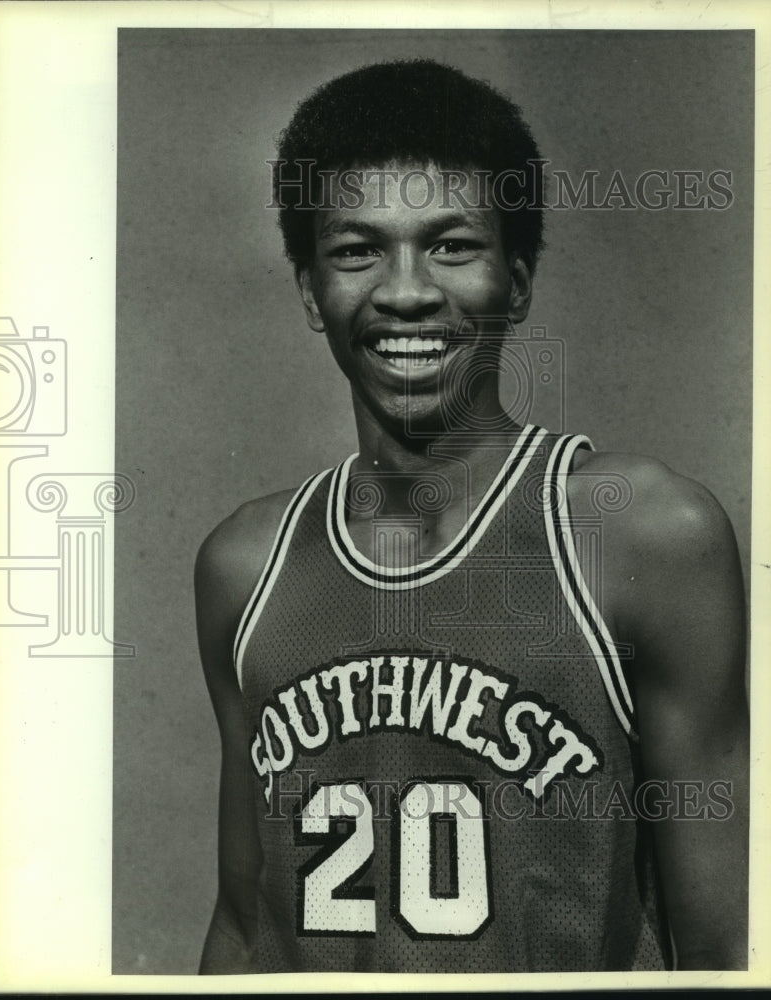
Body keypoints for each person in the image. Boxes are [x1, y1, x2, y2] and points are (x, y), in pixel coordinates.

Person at [195, 60, 748, 973]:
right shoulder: (246, 568)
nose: (406, 290)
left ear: (518, 282)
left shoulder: (643, 534)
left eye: (452, 246)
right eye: (356, 250)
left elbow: (728, 946)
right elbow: (248, 926)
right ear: (307, 291)